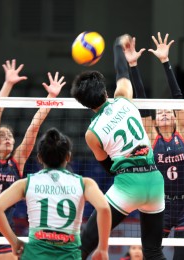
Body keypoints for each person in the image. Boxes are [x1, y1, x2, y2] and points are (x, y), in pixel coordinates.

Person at [71, 35, 166, 260]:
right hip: (154, 181)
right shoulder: (124, 99)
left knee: (84, 245)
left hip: (128, 186)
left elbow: (108, 166)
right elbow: (122, 74)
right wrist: (117, 46)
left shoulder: (91, 134)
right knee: (153, 252)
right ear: (105, 91)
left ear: (85, 105)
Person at [0, 59, 65, 260]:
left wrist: (50, 97)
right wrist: (8, 84)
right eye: (2, 136)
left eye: (10, 136)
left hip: (5, 231)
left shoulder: (16, 162)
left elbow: (33, 129)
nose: (8, 138)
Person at [123, 32, 184, 260]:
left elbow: (178, 98)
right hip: (160, 205)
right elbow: (143, 103)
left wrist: (165, 62)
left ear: (175, 118)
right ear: (154, 120)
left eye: (168, 111)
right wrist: (133, 65)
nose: (164, 112)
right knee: (150, 253)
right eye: (160, 111)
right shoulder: (150, 136)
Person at [0, 128, 111, 259]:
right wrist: (102, 249)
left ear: (39, 158)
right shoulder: (85, 183)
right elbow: (104, 208)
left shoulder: (26, 183)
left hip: (34, 256)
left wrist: (14, 242)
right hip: (69, 256)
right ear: (68, 156)